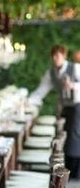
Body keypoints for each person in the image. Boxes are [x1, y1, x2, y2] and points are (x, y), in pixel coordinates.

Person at [30, 44, 80, 179]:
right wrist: (27, 102)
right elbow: (41, 91)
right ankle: (69, 171)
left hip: (77, 106)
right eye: (53, 55)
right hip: (65, 107)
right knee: (65, 138)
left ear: (64, 56)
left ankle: (75, 174)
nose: (55, 58)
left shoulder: (74, 68)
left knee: (74, 139)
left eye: (58, 55)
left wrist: (74, 86)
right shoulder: (51, 72)